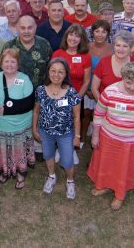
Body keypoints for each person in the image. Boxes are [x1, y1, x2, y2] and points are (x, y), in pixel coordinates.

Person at [88, 62, 134, 210]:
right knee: (107, 165)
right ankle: (104, 186)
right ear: (123, 78)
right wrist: (95, 136)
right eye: (128, 83)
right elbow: (99, 114)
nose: (132, 87)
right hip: (108, 137)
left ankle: (120, 195)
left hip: (133, 142)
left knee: (124, 169)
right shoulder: (110, 91)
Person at [32, 58, 81, 199]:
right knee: (48, 155)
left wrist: (77, 137)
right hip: (45, 132)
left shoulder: (72, 93)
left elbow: (77, 116)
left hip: (66, 133)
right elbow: (36, 111)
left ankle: (70, 181)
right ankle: (51, 176)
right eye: (53, 71)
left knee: (67, 160)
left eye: (61, 72)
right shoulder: (41, 90)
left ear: (66, 74)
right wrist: (34, 129)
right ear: (48, 72)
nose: (56, 75)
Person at [0, 49, 35, 188]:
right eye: (6, 61)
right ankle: (4, 170)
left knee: (18, 150)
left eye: (13, 61)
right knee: (2, 149)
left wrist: (9, 109)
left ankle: (21, 173)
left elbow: (29, 103)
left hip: (19, 125)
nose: (9, 64)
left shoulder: (24, 79)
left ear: (18, 63)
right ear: (1, 63)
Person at [53, 24, 91, 154]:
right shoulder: (58, 54)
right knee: (59, 123)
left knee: (74, 124)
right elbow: (52, 76)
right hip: (59, 95)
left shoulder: (85, 56)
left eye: (77, 36)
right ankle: (59, 149)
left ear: (81, 39)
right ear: (66, 36)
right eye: (71, 34)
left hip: (76, 97)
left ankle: (71, 150)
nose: (73, 38)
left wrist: (77, 98)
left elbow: (86, 81)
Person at [0, 15, 53, 90]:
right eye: (23, 28)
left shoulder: (44, 45)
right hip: (15, 93)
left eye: (30, 28)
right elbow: (0, 71)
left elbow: (51, 70)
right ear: (17, 28)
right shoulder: (9, 46)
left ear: (35, 27)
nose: (26, 31)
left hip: (39, 93)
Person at [84, 20, 113, 138]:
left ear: (108, 34)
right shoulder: (86, 48)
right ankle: (82, 136)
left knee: (103, 114)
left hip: (105, 88)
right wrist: (86, 89)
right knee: (86, 112)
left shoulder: (113, 49)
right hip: (88, 86)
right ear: (92, 33)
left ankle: (101, 135)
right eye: (97, 31)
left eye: (103, 32)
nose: (100, 34)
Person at [92, 31, 134, 102]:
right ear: (114, 46)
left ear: (131, 48)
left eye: (125, 46)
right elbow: (94, 88)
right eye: (118, 45)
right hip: (104, 106)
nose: (121, 49)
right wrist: (102, 105)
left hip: (128, 108)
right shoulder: (104, 62)